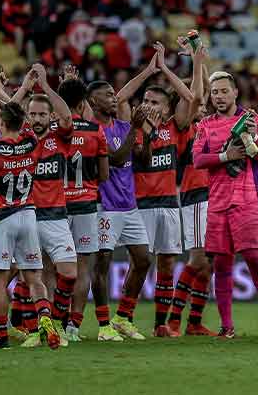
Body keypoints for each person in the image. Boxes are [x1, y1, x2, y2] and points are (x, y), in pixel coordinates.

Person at [0, 58, 62, 350]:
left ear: (2, 123)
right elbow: (17, 113)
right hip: (28, 215)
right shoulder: (32, 142)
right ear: (23, 124)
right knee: (34, 277)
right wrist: (13, 91)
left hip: (0, 218)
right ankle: (45, 317)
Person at [117, 41, 199, 338]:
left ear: (166, 110)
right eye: (146, 101)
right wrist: (149, 70)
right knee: (139, 263)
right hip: (141, 205)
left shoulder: (175, 127)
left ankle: (160, 324)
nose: (149, 106)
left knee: (167, 262)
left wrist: (166, 68)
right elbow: (120, 98)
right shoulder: (132, 127)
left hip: (169, 204)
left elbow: (192, 97)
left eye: (156, 103)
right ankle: (123, 316)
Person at [193, 69, 258, 340]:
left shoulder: (251, 119)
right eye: (214, 92)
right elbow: (197, 160)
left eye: (223, 91)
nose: (218, 96)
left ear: (235, 92)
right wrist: (225, 155)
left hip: (247, 198)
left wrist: (252, 138)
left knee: (254, 257)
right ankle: (227, 325)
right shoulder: (205, 124)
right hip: (217, 201)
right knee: (221, 263)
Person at [12, 64, 78, 347]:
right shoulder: (19, 139)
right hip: (26, 215)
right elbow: (3, 116)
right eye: (33, 114)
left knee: (69, 273)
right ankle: (34, 330)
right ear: (26, 116)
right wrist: (26, 88)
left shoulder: (58, 138)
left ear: (48, 116)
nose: (37, 118)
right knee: (31, 276)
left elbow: (66, 115)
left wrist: (47, 87)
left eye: (42, 114)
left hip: (56, 216)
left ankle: (58, 325)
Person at [88, 79, 152, 341]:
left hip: (130, 206)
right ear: (94, 102)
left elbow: (143, 161)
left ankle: (123, 318)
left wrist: (147, 135)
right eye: (108, 95)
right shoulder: (94, 131)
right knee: (102, 264)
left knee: (144, 261)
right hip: (106, 207)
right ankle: (104, 326)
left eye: (115, 94)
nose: (115, 98)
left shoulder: (124, 126)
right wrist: (135, 129)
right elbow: (115, 158)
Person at [57, 77, 110, 343]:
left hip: (56, 206)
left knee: (53, 268)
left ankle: (53, 320)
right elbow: (104, 174)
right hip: (87, 205)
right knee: (82, 268)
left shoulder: (55, 130)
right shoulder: (95, 131)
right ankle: (74, 327)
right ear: (83, 103)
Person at [169, 57, 215, 337]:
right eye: (195, 103)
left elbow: (206, 89)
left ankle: (194, 322)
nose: (202, 104)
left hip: (214, 195)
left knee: (210, 262)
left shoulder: (209, 125)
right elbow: (197, 94)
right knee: (197, 260)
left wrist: (199, 54)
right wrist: (197, 64)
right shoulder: (184, 128)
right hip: (195, 196)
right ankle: (174, 318)